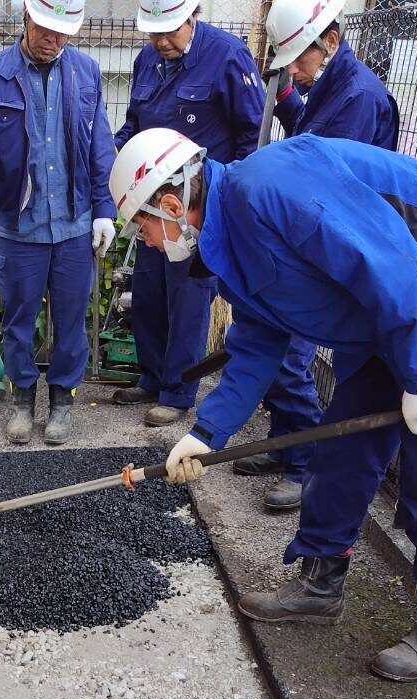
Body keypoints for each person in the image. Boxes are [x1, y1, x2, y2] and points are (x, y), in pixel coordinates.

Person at [109, 129, 417, 681]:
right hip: (388, 320)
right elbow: (257, 342)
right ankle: (320, 584)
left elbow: (394, 265)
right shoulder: (228, 238)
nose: (146, 242)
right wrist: (206, 433)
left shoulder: (273, 186)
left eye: (142, 227)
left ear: (172, 206)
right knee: (341, 454)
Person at [233, 0, 402, 512]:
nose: (294, 71)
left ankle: (304, 464)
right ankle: (284, 443)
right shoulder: (329, 87)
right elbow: (308, 137)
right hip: (308, 240)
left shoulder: (359, 97)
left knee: (290, 357)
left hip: (329, 249)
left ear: (329, 42)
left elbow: (327, 179)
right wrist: (288, 98)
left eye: (297, 60)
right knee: (281, 355)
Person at [0, 0, 118, 446]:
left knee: (70, 321)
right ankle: (23, 401)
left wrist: (105, 209)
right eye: (46, 29)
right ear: (26, 17)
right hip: (19, 228)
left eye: (63, 32)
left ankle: (62, 401)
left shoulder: (86, 73)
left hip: (73, 225)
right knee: (19, 320)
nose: (54, 40)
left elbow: (100, 146)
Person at [111, 0, 263, 429]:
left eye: (170, 31)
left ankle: (177, 393)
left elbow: (252, 134)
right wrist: (113, 154)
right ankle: (152, 376)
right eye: (153, 33)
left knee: (189, 300)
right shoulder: (147, 60)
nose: (161, 41)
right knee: (149, 293)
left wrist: (232, 204)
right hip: (152, 202)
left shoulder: (228, 56)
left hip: (198, 208)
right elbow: (134, 123)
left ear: (193, 14)